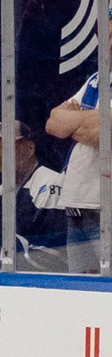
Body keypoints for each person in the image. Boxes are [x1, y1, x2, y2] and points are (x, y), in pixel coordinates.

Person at [44, 66, 112, 271]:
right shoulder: (96, 79)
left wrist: (72, 124)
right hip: (76, 206)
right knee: (80, 290)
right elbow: (53, 123)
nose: (109, 42)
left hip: (104, 208)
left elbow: (104, 133)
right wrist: (94, 119)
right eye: (107, 35)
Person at [0, 118, 66, 263]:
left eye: (8, 146)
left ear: (30, 148)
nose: (1, 155)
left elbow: (55, 255)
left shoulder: (51, 184)